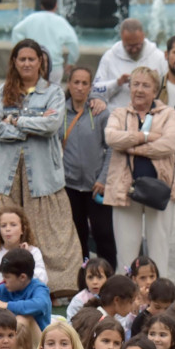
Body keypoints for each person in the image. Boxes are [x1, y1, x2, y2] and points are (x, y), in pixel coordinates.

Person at [0, 39, 81, 293]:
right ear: (14, 63)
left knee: (51, 233)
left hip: (42, 175)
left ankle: (56, 287)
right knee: (5, 229)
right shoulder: (3, 91)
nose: (27, 63)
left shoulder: (53, 92)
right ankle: (5, 285)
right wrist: (32, 123)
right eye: (22, 59)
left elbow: (52, 125)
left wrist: (15, 119)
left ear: (41, 62)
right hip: (5, 174)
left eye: (32, 59)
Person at [104, 66, 175, 277]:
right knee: (126, 252)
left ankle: (160, 299)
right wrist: (145, 136)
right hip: (125, 190)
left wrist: (132, 147)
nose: (139, 90)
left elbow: (169, 144)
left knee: (160, 249)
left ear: (155, 90)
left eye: (146, 85)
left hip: (160, 189)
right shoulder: (119, 113)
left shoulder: (168, 113)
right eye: (135, 84)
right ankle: (126, 299)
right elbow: (111, 137)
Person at [63, 66, 115, 267]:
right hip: (71, 185)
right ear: (69, 84)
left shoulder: (99, 112)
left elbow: (110, 147)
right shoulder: (61, 112)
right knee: (78, 235)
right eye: (76, 82)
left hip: (96, 185)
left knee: (104, 234)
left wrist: (103, 178)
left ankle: (109, 276)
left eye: (85, 83)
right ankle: (84, 278)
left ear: (90, 86)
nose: (80, 87)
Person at [92, 19, 169, 112]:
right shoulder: (110, 57)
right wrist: (117, 83)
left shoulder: (158, 57)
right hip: (117, 115)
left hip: (150, 116)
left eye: (137, 45)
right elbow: (95, 90)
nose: (134, 50)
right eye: (129, 46)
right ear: (122, 38)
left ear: (143, 36)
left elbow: (167, 88)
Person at [0, 248, 52, 334]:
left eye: (7, 277)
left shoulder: (39, 288)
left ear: (22, 277)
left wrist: (6, 305)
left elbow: (40, 305)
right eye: (3, 276)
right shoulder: (4, 288)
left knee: (21, 321)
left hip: (36, 343)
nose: (4, 280)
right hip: (8, 341)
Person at [11, 0, 79, 84]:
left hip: (34, 65)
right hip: (55, 66)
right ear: (56, 5)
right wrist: (71, 61)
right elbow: (74, 43)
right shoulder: (61, 22)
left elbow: (16, 31)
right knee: (54, 95)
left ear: (41, 5)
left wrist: (20, 53)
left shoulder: (32, 18)